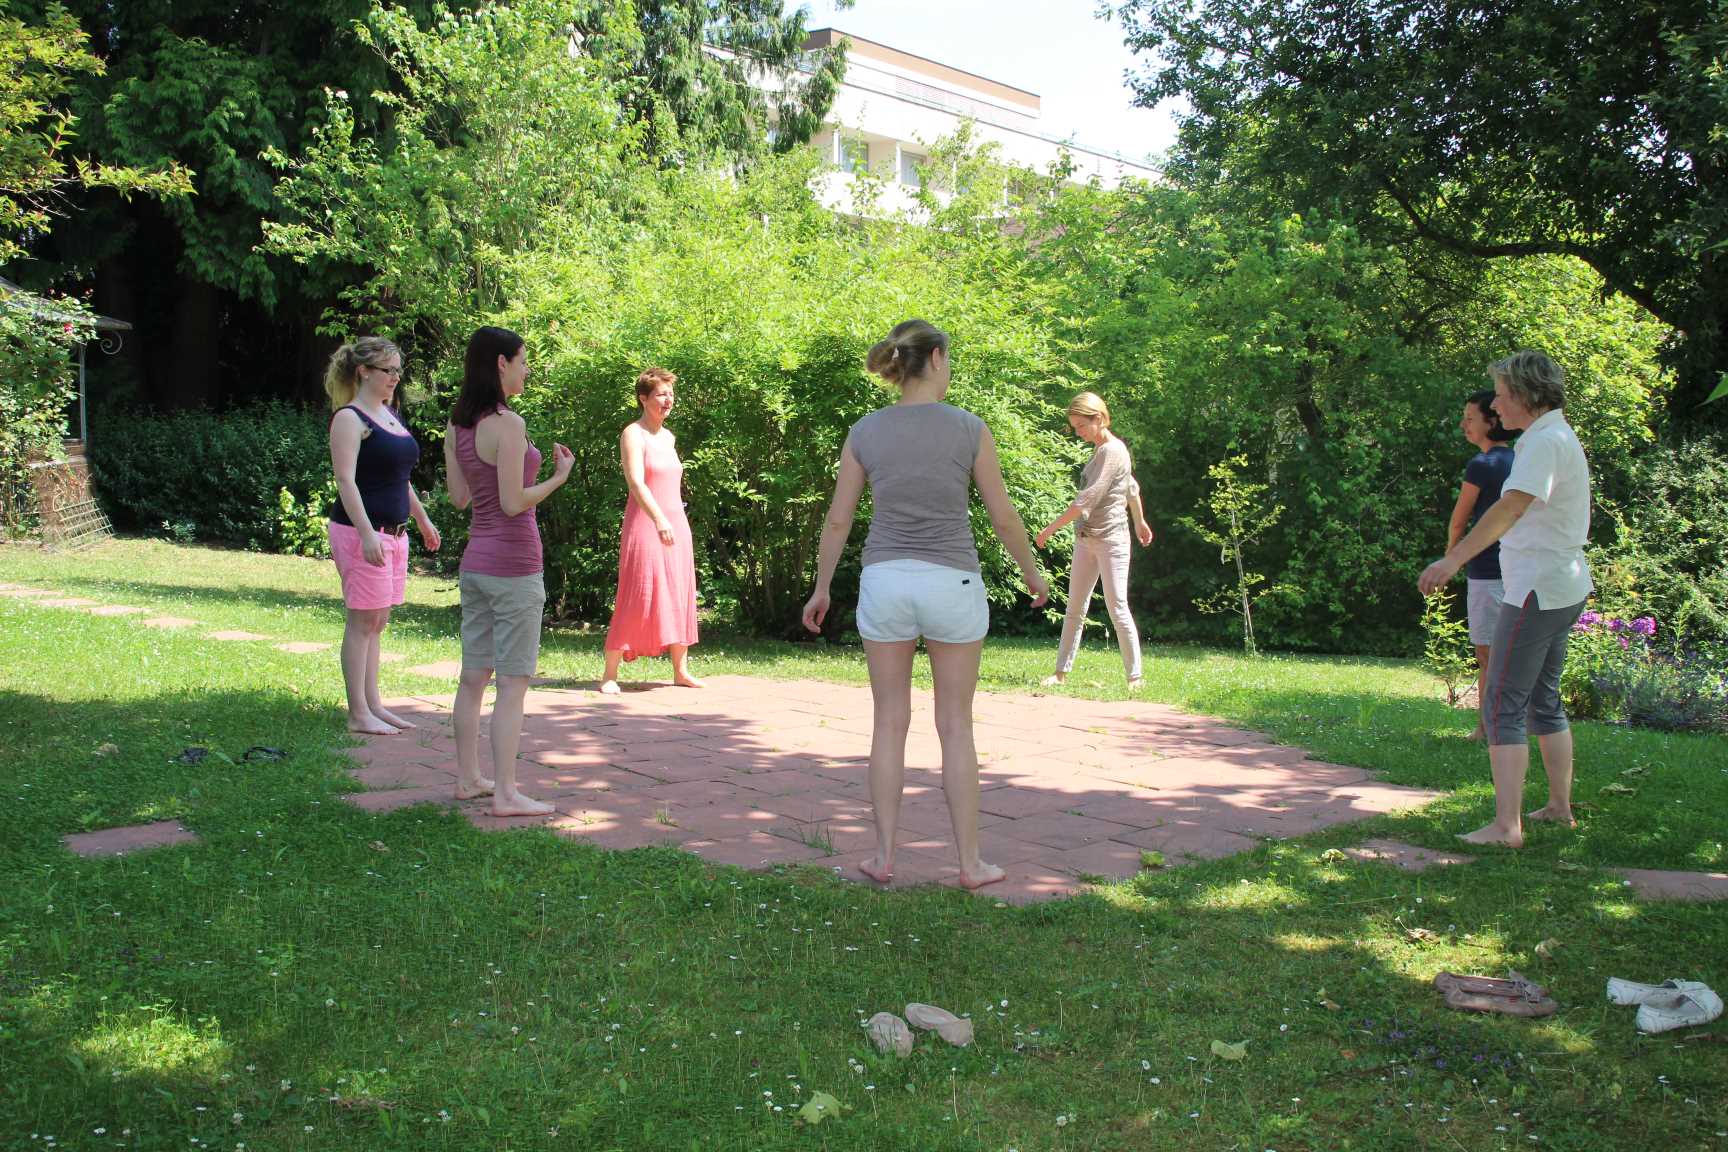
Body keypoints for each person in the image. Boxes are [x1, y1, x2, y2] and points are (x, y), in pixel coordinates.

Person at [802, 320, 1049, 890]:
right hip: (951, 583)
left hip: (885, 581)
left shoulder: (866, 430)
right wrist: (1033, 575)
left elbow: (839, 518)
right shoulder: (969, 428)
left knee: (889, 723)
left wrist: (822, 586)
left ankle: (885, 855)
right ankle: (970, 864)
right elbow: (1003, 516)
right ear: (936, 357)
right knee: (955, 726)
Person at [1419, 351, 1592, 848]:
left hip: (1537, 587)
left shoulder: (1543, 442)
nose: (1495, 403)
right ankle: (1558, 808)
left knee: (1500, 703)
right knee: (1542, 698)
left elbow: (1510, 507)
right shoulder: (1554, 435)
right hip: (1562, 583)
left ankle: (1506, 827)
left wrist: (1452, 560)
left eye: (1499, 393)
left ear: (1522, 394)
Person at [443, 326, 573, 817]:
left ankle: (468, 779)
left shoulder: (458, 425)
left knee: (473, 675)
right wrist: (557, 478)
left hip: (476, 564)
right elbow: (513, 502)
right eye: (522, 360)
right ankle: (505, 794)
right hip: (514, 567)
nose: (526, 368)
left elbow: (460, 499)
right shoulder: (508, 424)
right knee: (513, 683)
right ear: (501, 363)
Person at [325, 336, 440, 736]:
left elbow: (400, 479)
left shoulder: (390, 415)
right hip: (363, 534)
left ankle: (375, 704)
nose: (395, 377)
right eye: (388, 370)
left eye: (397, 370)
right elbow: (346, 480)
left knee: (378, 621)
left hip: (395, 534)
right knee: (362, 621)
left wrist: (423, 520)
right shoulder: (349, 419)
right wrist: (366, 533)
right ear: (364, 372)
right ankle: (358, 713)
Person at [1034, 391, 1155, 689]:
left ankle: (1134, 677)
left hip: (1111, 539)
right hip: (1086, 539)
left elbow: (1086, 499)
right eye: (1074, 427)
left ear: (1098, 418)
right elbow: (1132, 488)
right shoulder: (1105, 450)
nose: (1078, 432)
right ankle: (1061, 672)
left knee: (1117, 606)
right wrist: (1139, 520)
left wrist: (1050, 529)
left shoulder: (1111, 451)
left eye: (1081, 426)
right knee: (1075, 607)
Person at [599, 368, 701, 694]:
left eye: (670, 393)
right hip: (647, 523)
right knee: (637, 592)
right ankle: (609, 675)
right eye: (660, 393)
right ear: (643, 398)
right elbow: (636, 482)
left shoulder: (669, 437)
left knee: (679, 590)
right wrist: (659, 519)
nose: (667, 399)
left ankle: (681, 670)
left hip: (676, 523)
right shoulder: (633, 433)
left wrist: (671, 520)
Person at [1446, 389, 1518, 739]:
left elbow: (1460, 521)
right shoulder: (1522, 461)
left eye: (1470, 418)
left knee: (1488, 655)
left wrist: (1451, 558)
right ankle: (1509, 725)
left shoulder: (1482, 464)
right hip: (1522, 569)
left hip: (1488, 572)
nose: (1464, 425)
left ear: (1492, 421)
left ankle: (1487, 729)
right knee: (1515, 653)